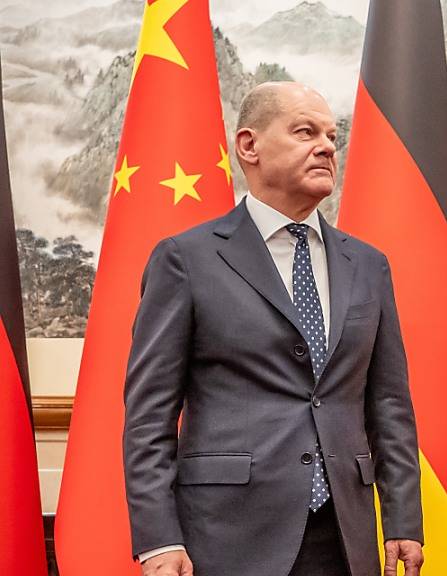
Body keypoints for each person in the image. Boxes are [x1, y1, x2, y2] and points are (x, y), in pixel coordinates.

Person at [123, 82, 424, 576]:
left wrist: (403, 520)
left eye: (332, 136)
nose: (326, 147)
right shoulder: (187, 259)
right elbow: (149, 416)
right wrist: (158, 539)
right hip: (227, 539)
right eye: (306, 132)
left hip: (345, 538)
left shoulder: (368, 265)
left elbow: (389, 405)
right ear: (250, 146)